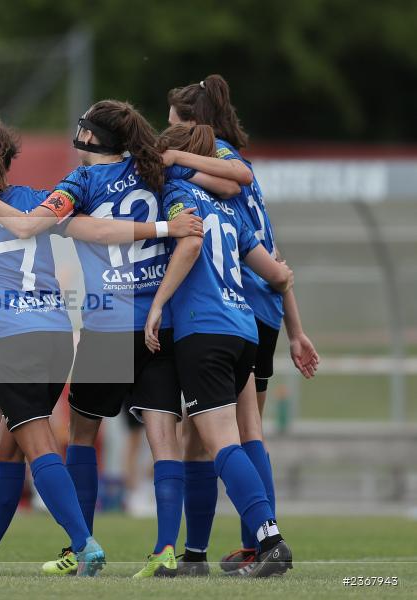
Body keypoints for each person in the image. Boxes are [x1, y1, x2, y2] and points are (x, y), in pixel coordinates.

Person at [0, 101, 239, 577]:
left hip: (106, 324)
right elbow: (230, 185)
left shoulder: (79, 184)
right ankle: (166, 549)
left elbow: (37, 225)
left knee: (81, 436)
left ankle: (81, 547)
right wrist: (166, 234)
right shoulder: (157, 172)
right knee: (163, 439)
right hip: (158, 322)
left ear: (88, 138)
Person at [0, 112, 107, 577]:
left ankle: (84, 542)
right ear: (7, 161)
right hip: (56, 334)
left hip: (12, 341)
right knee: (9, 448)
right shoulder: (33, 201)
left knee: (36, 445)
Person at [164, 75, 319, 575]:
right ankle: (231, 545)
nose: (166, 135)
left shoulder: (216, 160)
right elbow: (275, 260)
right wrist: (295, 328)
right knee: (229, 431)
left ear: (194, 128)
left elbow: (235, 181)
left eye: (173, 126)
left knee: (219, 434)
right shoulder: (228, 171)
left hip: (226, 307)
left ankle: (258, 541)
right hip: (259, 311)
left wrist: (174, 162)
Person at [144, 121, 296, 578]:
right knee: (227, 438)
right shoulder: (231, 206)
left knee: (219, 442)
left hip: (203, 330)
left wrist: (157, 305)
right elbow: (276, 274)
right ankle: (194, 556)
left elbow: (189, 245)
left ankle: (270, 540)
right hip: (244, 328)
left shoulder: (176, 191)